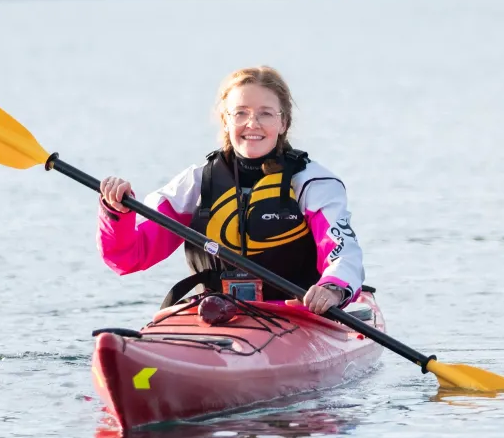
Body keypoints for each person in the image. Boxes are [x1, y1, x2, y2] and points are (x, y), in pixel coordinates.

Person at [98, 66, 363, 315]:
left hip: (296, 315)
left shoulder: (312, 183)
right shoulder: (195, 183)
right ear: (225, 121)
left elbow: (343, 252)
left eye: (266, 114)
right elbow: (129, 256)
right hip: (215, 315)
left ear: (284, 123)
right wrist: (117, 212)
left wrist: (333, 288)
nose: (252, 123)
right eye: (240, 113)